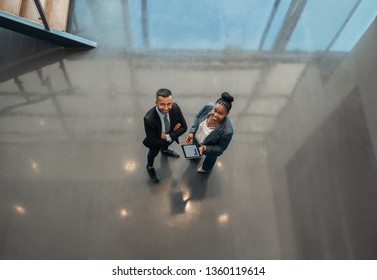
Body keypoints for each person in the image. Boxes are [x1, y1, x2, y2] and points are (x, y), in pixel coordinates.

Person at [143, 88, 187, 183]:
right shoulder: (149, 119)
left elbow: (184, 127)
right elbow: (153, 142)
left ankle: (165, 150)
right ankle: (150, 167)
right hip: (156, 143)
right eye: (162, 104)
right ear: (156, 102)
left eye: (169, 104)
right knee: (152, 154)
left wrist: (167, 136)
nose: (166, 108)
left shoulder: (175, 108)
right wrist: (174, 133)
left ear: (172, 102)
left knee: (166, 145)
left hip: (166, 137)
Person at [184, 92, 234, 173]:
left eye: (220, 113)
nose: (215, 115)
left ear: (227, 113)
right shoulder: (208, 106)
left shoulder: (227, 131)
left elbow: (221, 148)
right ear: (213, 106)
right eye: (215, 110)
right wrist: (192, 132)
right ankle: (194, 156)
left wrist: (205, 148)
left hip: (209, 148)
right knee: (194, 151)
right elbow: (197, 115)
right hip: (197, 138)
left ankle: (205, 168)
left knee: (210, 159)